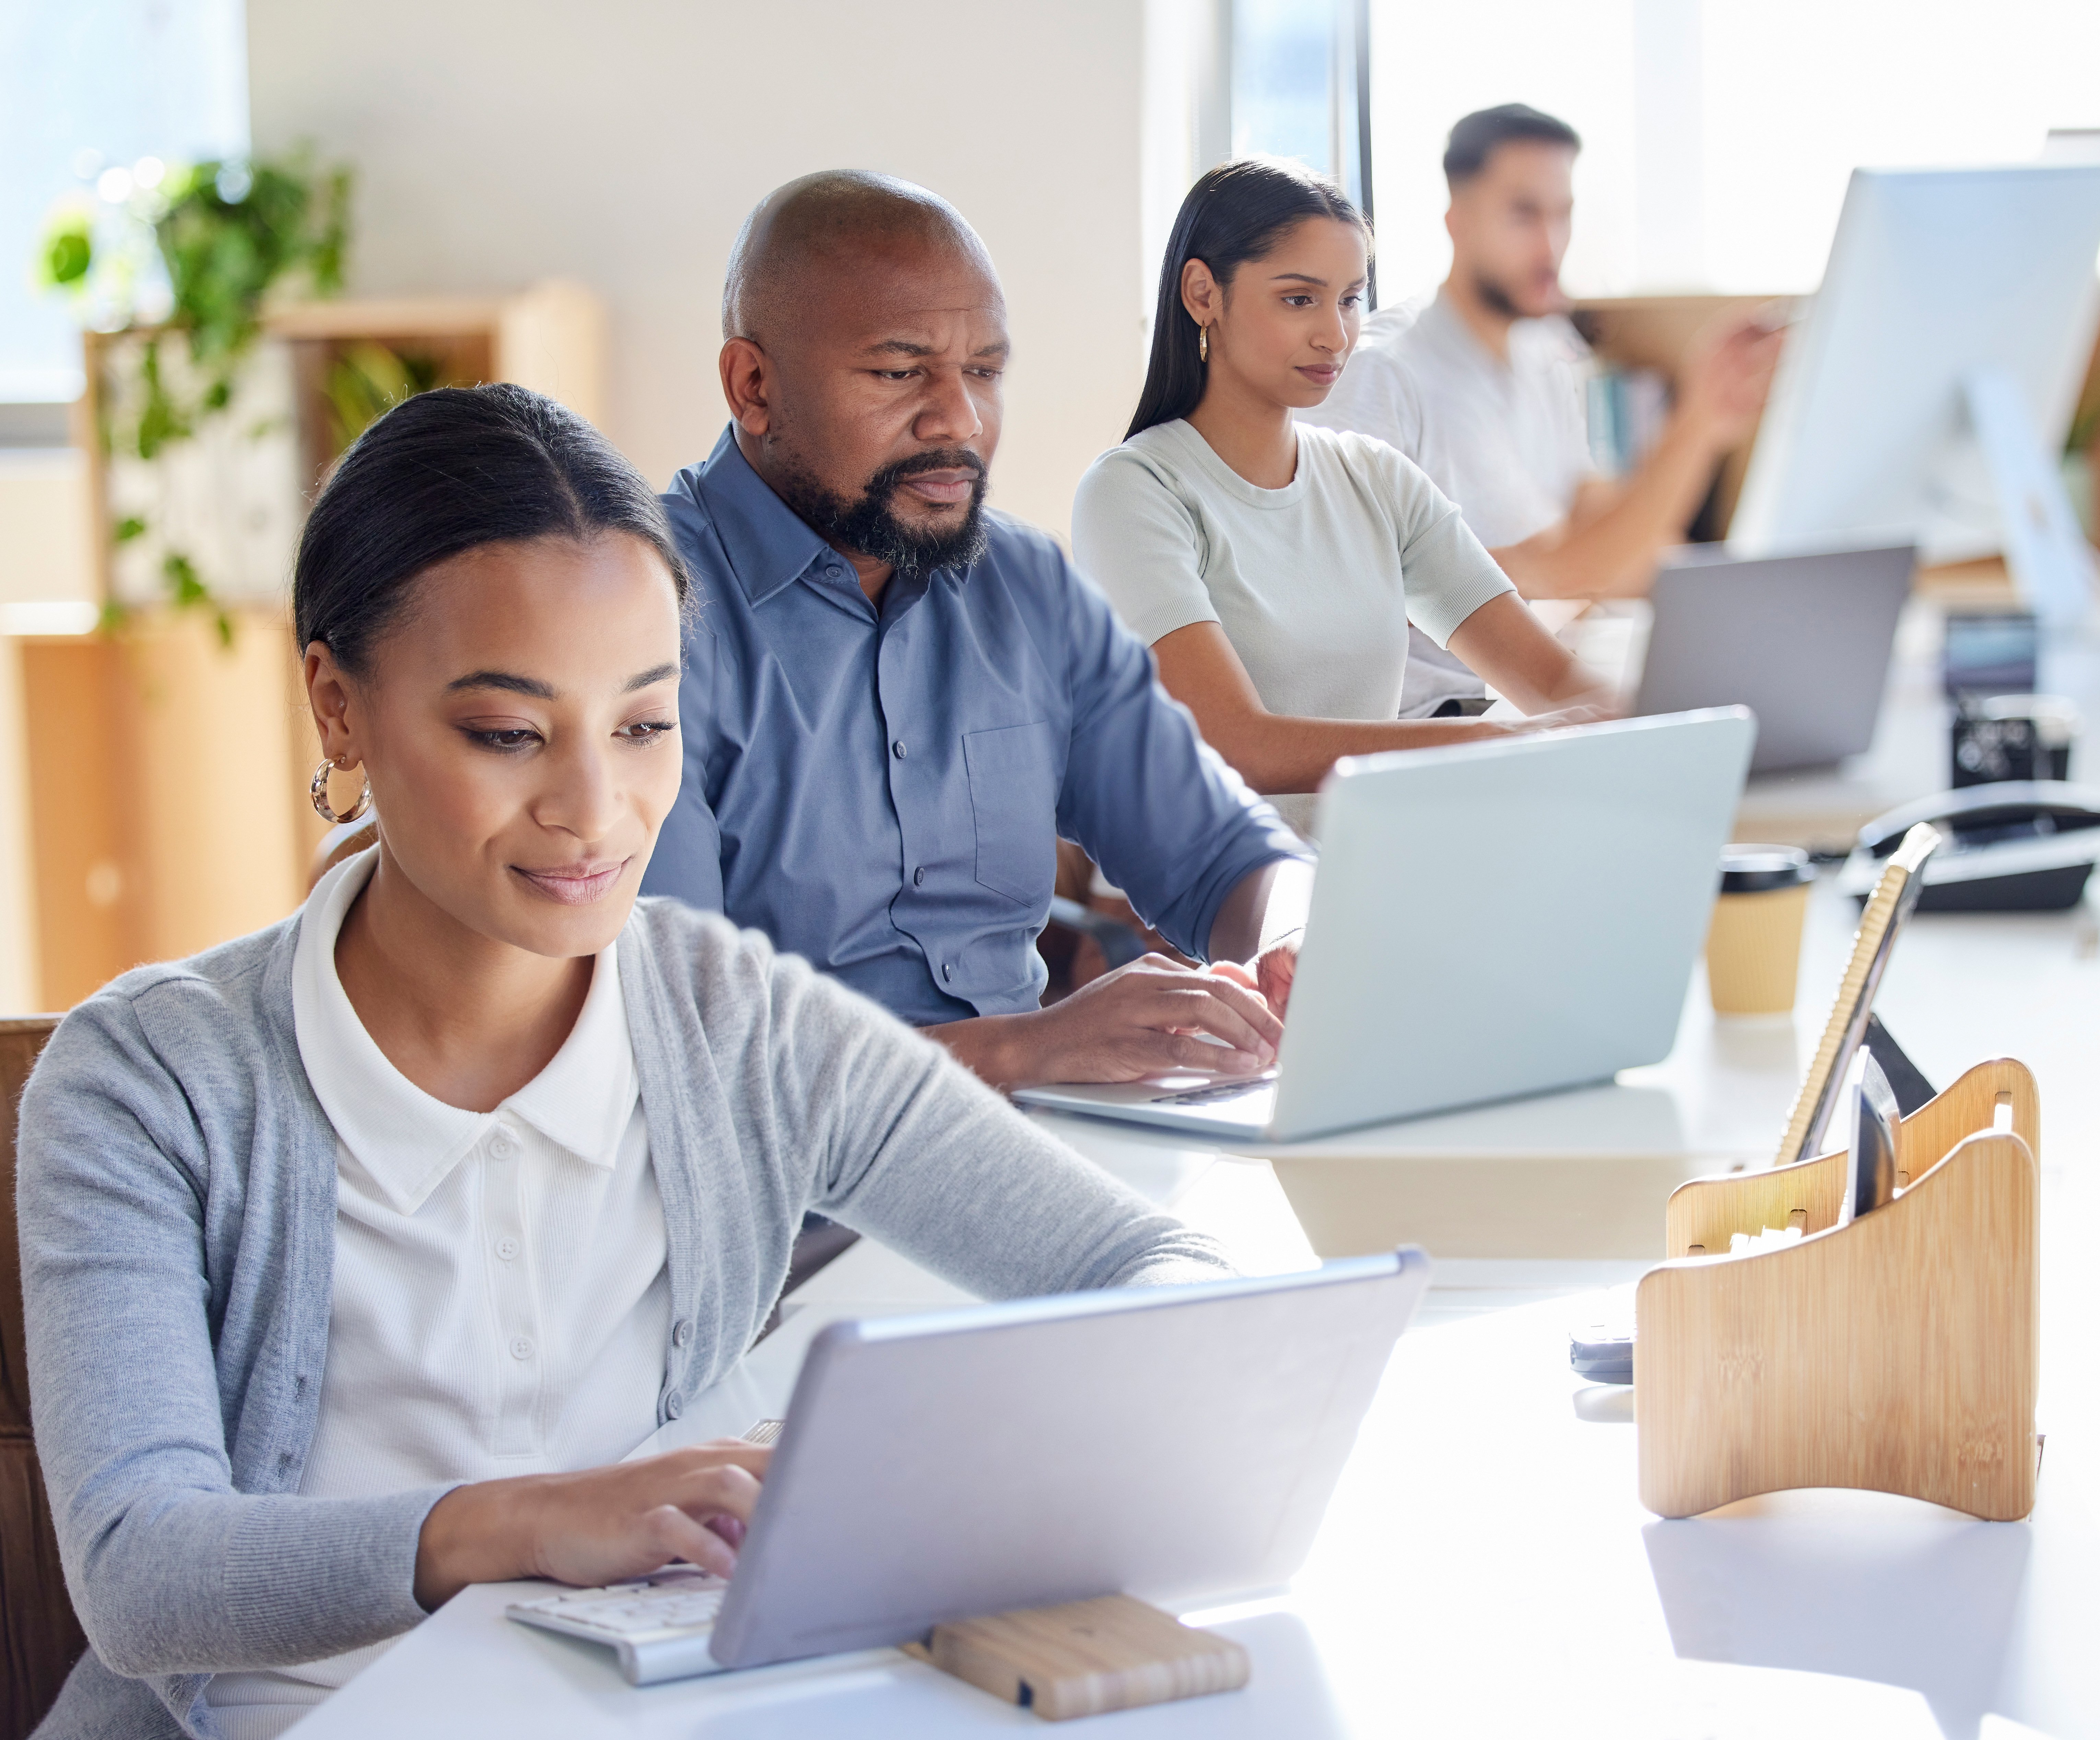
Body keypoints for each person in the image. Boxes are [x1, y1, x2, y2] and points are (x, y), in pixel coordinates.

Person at [16, 384, 1232, 1740]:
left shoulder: (734, 1017)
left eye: (645, 723)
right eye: (507, 731)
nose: (596, 809)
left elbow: (1161, 1277)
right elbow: (142, 1570)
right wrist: (535, 1519)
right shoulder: (146, 1077)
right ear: (338, 707)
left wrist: (912, 1473)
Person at [640, 170, 1312, 1090]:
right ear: (753, 386)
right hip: (791, 1207)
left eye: (984, 373)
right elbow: (675, 1045)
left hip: (1033, 1151)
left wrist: (1291, 936)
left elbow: (1219, 851)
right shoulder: (636, 613)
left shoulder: (1024, 586)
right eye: (898, 372)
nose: (958, 419)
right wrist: (1027, 1049)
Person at [1069, 158, 1612, 833]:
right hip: (1198, 913)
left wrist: (1665, 720)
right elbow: (1238, 743)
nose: (1335, 334)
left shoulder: (1378, 480)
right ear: (1202, 293)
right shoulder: (1133, 492)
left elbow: (1553, 682)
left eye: (1351, 298)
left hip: (1361, 871)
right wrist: (1487, 745)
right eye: (1299, 299)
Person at [1300, 104, 1782, 712]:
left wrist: (1750, 600)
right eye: (1525, 213)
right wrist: (1696, 425)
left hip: (1523, 697)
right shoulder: (1383, 373)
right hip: (1432, 723)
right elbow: (1557, 571)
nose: (1551, 244)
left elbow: (1602, 527)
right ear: (1457, 218)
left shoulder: (1545, 352)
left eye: (1563, 215)